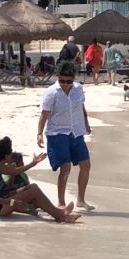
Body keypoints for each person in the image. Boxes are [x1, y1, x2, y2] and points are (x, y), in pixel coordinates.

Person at [0, 138, 78, 222]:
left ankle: (58, 212)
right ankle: (60, 216)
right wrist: (11, 202)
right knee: (34, 191)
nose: (11, 154)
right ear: (6, 156)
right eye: (10, 152)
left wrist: (33, 163)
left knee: (33, 187)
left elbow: (14, 171)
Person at [36, 61, 94, 210]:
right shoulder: (51, 92)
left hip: (76, 131)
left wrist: (86, 124)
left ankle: (81, 200)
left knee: (86, 164)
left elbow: (81, 107)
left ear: (73, 78)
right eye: (62, 81)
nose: (65, 84)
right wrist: (39, 133)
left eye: (69, 81)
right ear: (58, 78)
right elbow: (44, 114)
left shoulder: (78, 89)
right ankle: (61, 202)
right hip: (57, 133)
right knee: (65, 167)